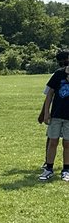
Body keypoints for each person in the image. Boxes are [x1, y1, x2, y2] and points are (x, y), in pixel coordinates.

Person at [38, 49, 69, 181]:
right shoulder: (58, 74)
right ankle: (48, 167)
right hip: (56, 114)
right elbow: (49, 94)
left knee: (67, 143)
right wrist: (45, 113)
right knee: (52, 141)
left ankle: (66, 169)